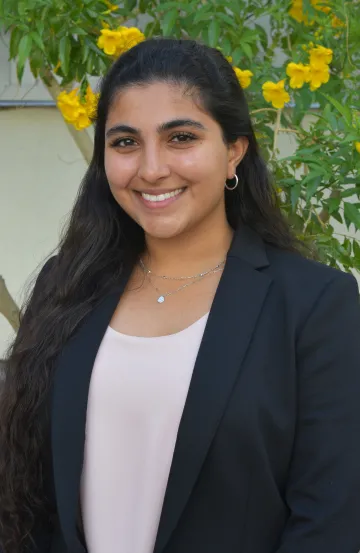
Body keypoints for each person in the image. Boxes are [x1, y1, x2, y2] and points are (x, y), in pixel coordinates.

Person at [0, 37, 360, 553]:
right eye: (125, 142)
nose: (150, 169)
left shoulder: (314, 304)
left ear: (234, 151)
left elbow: (330, 521)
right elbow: (27, 490)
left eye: (181, 138)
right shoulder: (69, 284)